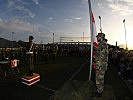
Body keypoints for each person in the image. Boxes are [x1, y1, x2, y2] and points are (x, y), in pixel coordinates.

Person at [93, 33, 108, 97]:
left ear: (101, 37)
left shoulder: (103, 44)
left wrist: (98, 68)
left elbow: (101, 57)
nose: (97, 38)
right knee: (99, 79)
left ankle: (99, 93)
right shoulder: (102, 44)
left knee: (99, 80)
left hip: (101, 66)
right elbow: (100, 53)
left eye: (98, 37)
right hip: (101, 65)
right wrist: (96, 49)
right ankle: (99, 91)